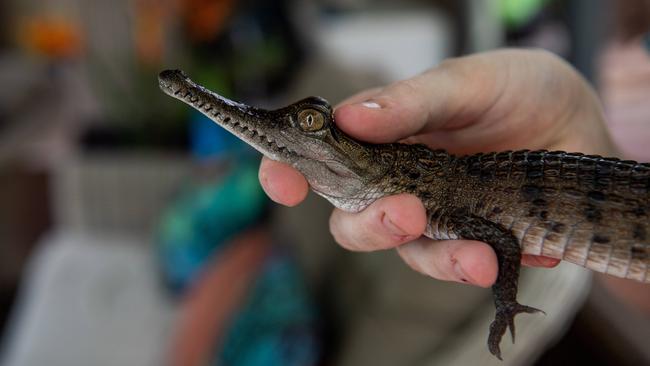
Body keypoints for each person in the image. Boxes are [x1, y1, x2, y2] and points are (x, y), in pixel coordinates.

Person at [257, 49, 616, 289]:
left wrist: (506, 300)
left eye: (308, 121)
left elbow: (505, 242)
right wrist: (583, 127)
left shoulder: (445, 210)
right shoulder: (439, 206)